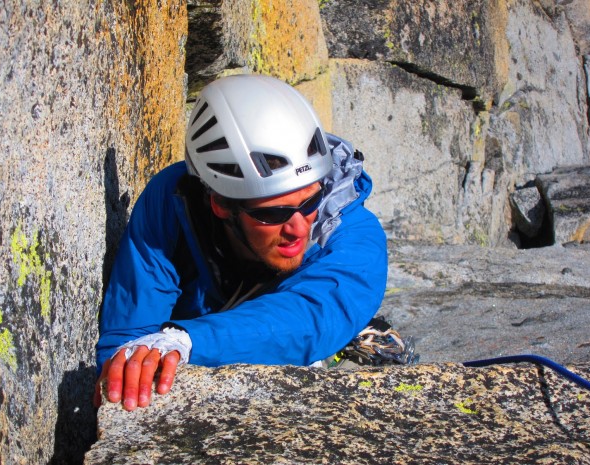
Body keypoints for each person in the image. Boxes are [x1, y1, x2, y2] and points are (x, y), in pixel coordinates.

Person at [94, 74, 388, 411]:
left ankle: (346, 343)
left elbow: (314, 316)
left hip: (251, 336)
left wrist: (187, 340)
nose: (298, 228)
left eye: (311, 202)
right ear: (220, 203)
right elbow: (129, 334)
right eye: (273, 213)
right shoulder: (175, 200)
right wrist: (125, 367)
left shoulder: (353, 234)